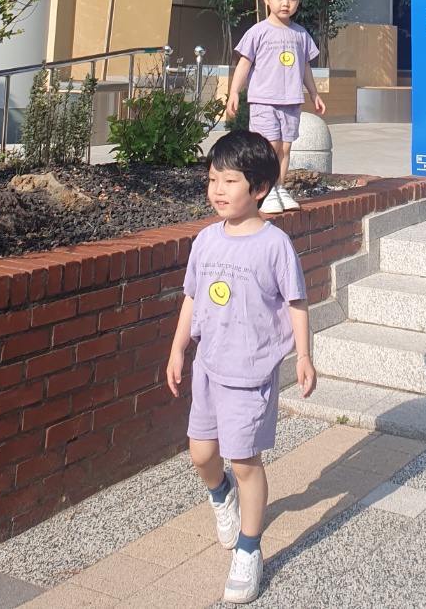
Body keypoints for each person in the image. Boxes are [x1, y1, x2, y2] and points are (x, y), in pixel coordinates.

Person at [167, 130, 317, 604]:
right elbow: (192, 296)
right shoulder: (205, 240)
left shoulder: (274, 245)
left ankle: (250, 549)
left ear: (260, 188)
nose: (217, 190)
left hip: (251, 373)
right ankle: (220, 494)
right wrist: (178, 348)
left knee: (245, 462)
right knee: (201, 454)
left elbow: (296, 301)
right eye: (213, 179)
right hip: (209, 368)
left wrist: (304, 355)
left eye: (229, 181)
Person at [224, 0, 326, 213]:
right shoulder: (257, 32)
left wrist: (314, 93)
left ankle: (279, 188)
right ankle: (266, 191)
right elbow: (244, 64)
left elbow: (305, 67)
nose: (286, 3)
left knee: (285, 148)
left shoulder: (301, 34)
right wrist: (234, 92)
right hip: (264, 101)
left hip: (291, 102)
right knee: (268, 147)